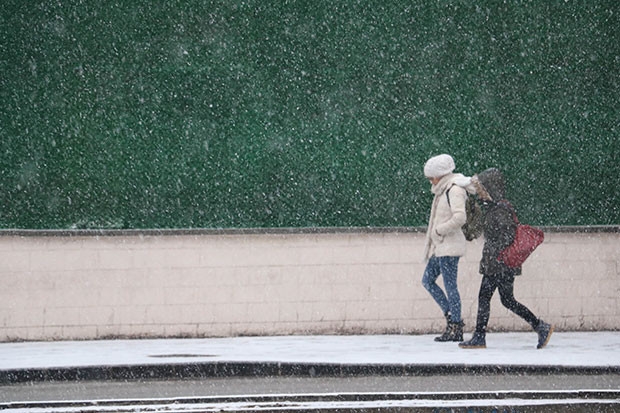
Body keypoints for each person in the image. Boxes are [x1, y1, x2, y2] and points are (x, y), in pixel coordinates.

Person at [459, 168, 553, 349]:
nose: (479, 191)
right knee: (507, 300)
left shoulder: (500, 210)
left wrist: (495, 254)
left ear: (490, 188)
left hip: (498, 264)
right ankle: (540, 326)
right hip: (500, 263)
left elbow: (507, 236)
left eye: (481, 188)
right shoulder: (495, 207)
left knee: (485, 297)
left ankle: (479, 336)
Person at [421, 154, 473, 342]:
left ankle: (456, 326)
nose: (430, 180)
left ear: (441, 174)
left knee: (451, 287)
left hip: (449, 247)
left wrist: (439, 231)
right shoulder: (443, 189)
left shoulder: (454, 190)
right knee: (427, 280)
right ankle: (451, 318)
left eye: (432, 176)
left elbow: (460, 217)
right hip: (441, 246)